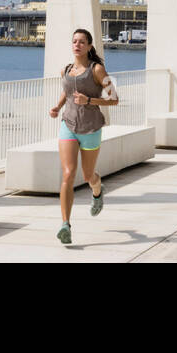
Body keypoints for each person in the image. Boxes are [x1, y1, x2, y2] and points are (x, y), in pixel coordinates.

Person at [48, 28, 119, 244]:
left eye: (82, 42)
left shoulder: (97, 70)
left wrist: (89, 101)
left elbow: (114, 98)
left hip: (91, 128)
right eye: (74, 41)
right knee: (68, 174)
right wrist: (58, 107)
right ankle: (65, 225)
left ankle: (97, 190)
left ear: (89, 46)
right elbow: (66, 91)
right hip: (68, 125)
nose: (77, 45)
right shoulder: (66, 70)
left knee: (88, 176)